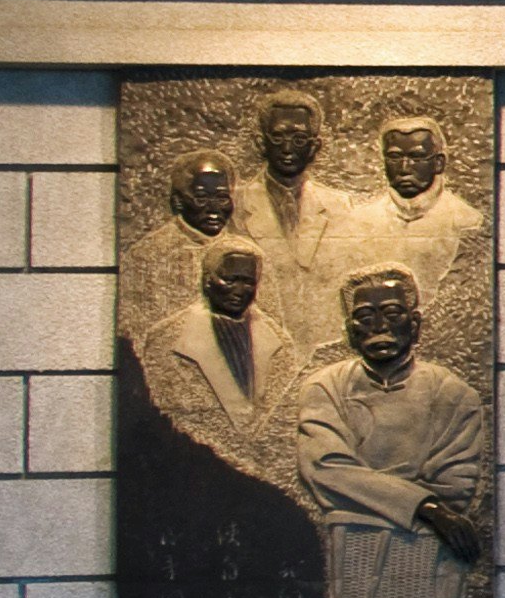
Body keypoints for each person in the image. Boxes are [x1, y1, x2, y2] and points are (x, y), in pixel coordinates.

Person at [287, 267, 489, 598]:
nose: (379, 326)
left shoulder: (453, 394)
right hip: (352, 552)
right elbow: (325, 469)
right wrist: (428, 509)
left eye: (392, 313)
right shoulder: (325, 388)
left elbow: (454, 486)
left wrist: (369, 493)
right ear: (350, 329)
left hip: (428, 557)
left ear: (415, 323)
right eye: (365, 316)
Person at [139, 237, 311, 427]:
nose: (239, 291)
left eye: (248, 282)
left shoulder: (278, 340)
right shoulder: (167, 336)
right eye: (229, 280)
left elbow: (284, 411)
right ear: (207, 280)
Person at [232, 91, 352, 317]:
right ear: (261, 143)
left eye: (299, 139)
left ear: (315, 147)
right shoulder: (234, 205)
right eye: (278, 137)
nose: (287, 148)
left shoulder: (340, 206)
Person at [335, 111, 482, 283]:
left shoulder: (467, 221)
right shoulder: (360, 221)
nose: (405, 168)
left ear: (439, 163)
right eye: (395, 157)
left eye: (417, 157)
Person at [126, 154, 244, 331]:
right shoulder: (145, 256)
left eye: (222, 198)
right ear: (178, 201)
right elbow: (133, 330)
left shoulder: (248, 255)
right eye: (201, 198)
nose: (213, 209)